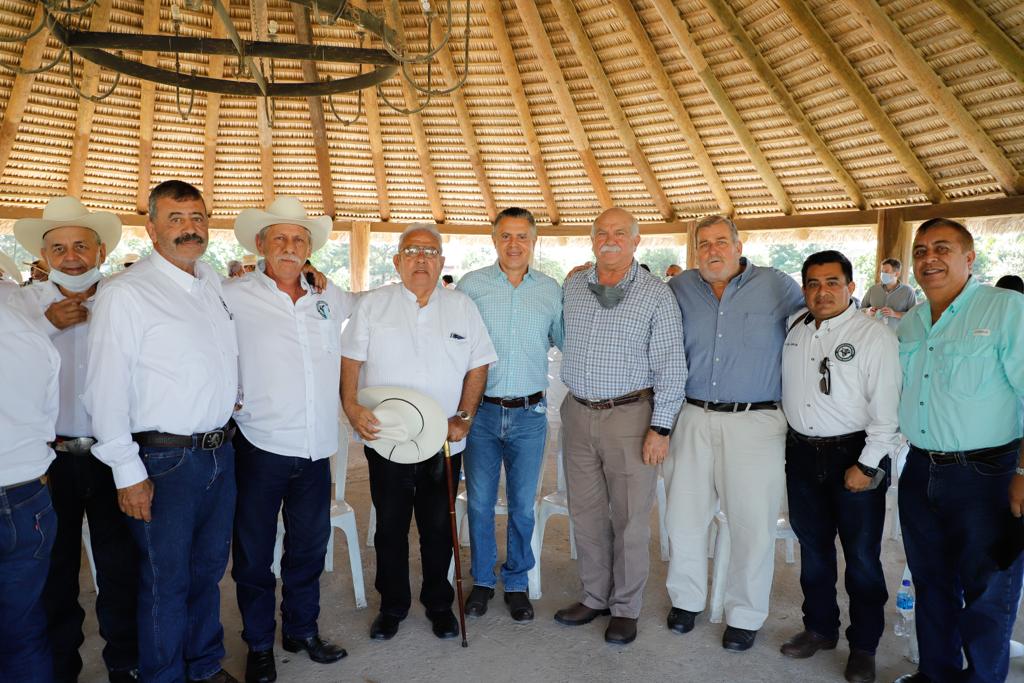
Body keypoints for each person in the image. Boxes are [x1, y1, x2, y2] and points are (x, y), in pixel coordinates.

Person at [84, 180, 240, 683]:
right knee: (165, 582)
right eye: (175, 218)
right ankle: (164, 676)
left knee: (207, 573)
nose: (189, 228)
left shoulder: (210, 280)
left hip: (219, 452)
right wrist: (127, 473)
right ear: (151, 227)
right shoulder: (126, 294)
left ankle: (203, 665)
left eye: (196, 217)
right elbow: (102, 391)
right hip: (163, 461)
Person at [340, 223, 497, 642]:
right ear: (397, 261)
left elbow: (478, 363)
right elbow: (351, 360)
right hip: (388, 437)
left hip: (444, 440)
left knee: (438, 526)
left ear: (442, 261)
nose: (421, 259)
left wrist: (465, 415)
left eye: (430, 251)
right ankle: (392, 606)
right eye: (412, 251)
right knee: (390, 526)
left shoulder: (461, 305)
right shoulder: (374, 304)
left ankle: (439, 604)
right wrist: (352, 406)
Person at [11, 196, 140, 683]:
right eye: (59, 248)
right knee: (55, 570)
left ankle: (124, 662)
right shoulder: (21, 306)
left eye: (81, 246)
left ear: (101, 250)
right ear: (44, 257)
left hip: (115, 453)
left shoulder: (126, 297)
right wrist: (46, 326)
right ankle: (62, 668)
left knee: (119, 565)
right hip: (50, 460)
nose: (71, 257)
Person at [223, 198, 352, 683]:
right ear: (260, 245)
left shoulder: (328, 296)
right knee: (255, 555)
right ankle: (258, 644)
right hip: (260, 445)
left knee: (308, 549)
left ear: (310, 251)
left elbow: (363, 311)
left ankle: (301, 630)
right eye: (279, 238)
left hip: (316, 448)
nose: (289, 247)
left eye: (299, 240)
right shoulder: (232, 294)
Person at [664, 214, 804, 651]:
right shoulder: (679, 288)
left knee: (751, 523)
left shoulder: (777, 286)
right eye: (703, 243)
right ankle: (686, 601)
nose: (712, 251)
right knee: (683, 517)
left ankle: (744, 614)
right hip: (692, 415)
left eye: (721, 241)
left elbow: (816, 327)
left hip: (756, 421)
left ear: (739, 245)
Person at [895, 218, 1024, 683]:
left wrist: (1023, 473)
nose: (929, 258)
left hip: (987, 474)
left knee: (989, 590)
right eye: (921, 250)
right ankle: (937, 674)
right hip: (920, 468)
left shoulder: (1006, 309)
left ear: (969, 258)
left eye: (942, 249)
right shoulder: (910, 321)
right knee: (930, 584)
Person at [555, 207, 686, 646]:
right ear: (592, 241)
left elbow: (672, 367)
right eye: (601, 233)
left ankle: (626, 607)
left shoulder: (656, 294)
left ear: (636, 241)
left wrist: (661, 428)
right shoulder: (573, 285)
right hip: (577, 411)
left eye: (619, 233)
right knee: (586, 512)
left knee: (630, 516)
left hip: (631, 416)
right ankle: (594, 596)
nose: (609, 240)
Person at [779, 251, 901, 683]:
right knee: (813, 551)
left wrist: (866, 467)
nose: (822, 291)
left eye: (832, 282)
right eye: (813, 283)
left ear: (850, 287)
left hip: (854, 455)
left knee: (862, 557)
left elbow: (887, 414)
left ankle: (864, 645)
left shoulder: (873, 336)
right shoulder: (795, 330)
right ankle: (820, 628)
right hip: (801, 453)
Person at [456, 207, 563, 622]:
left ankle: (516, 582)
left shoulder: (551, 290)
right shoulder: (472, 286)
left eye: (522, 236)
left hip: (529, 414)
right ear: (494, 239)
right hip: (480, 414)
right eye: (506, 236)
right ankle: (483, 580)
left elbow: (566, 339)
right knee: (480, 503)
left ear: (533, 241)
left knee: (522, 506)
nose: (514, 244)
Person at [0, 301, 61, 683]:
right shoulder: (25, 326)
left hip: (24, 482)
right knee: (22, 625)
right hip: (24, 482)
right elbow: (47, 410)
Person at [859, 258, 916, 329]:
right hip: (872, 334)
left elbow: (914, 316)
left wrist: (895, 314)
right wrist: (867, 311)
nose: (883, 274)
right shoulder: (873, 289)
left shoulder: (908, 292)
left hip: (896, 336)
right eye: (882, 271)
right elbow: (860, 310)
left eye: (886, 271)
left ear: (897, 274)